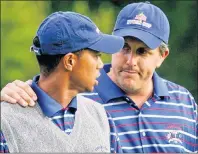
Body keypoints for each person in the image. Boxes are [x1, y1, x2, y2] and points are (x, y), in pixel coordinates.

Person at [1, 2, 198, 153]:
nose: (130, 61)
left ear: (162, 56)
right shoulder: (81, 93)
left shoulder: (185, 103)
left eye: (142, 52)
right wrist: (13, 99)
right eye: (124, 48)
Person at [0, 11, 125, 153]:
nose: (101, 65)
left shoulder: (101, 116)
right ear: (70, 61)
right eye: (96, 55)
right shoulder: (5, 121)